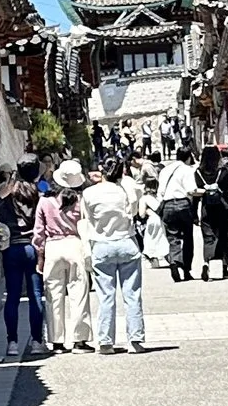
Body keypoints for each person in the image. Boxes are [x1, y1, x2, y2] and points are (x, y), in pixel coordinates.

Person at [82, 161, 148, 352]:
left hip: (102, 244)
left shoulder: (89, 193)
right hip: (126, 241)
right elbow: (134, 212)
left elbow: (87, 218)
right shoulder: (126, 190)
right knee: (132, 294)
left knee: (105, 296)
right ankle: (135, 340)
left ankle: (105, 342)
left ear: (101, 171)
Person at [36, 158, 90, 352]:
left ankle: (57, 341)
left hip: (53, 246)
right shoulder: (80, 200)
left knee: (54, 295)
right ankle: (79, 340)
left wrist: (40, 255)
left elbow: (38, 232)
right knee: (79, 293)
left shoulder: (44, 200)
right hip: (75, 244)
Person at [0, 159, 44, 361]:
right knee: (35, 295)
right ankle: (36, 341)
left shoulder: (8, 194)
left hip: (11, 248)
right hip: (33, 246)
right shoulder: (38, 194)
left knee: (13, 296)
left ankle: (12, 343)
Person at [154, 148, 199, 282]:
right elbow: (191, 190)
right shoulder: (187, 170)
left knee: (172, 237)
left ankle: (174, 261)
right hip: (183, 204)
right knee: (187, 238)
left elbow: (160, 192)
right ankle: (186, 270)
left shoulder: (165, 170)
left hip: (167, 205)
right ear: (189, 157)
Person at [196, 146, 228, 280]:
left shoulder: (198, 172)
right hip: (223, 207)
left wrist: (193, 213)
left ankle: (206, 263)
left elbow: (196, 193)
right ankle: (224, 269)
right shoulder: (223, 171)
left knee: (209, 237)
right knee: (223, 236)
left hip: (207, 208)